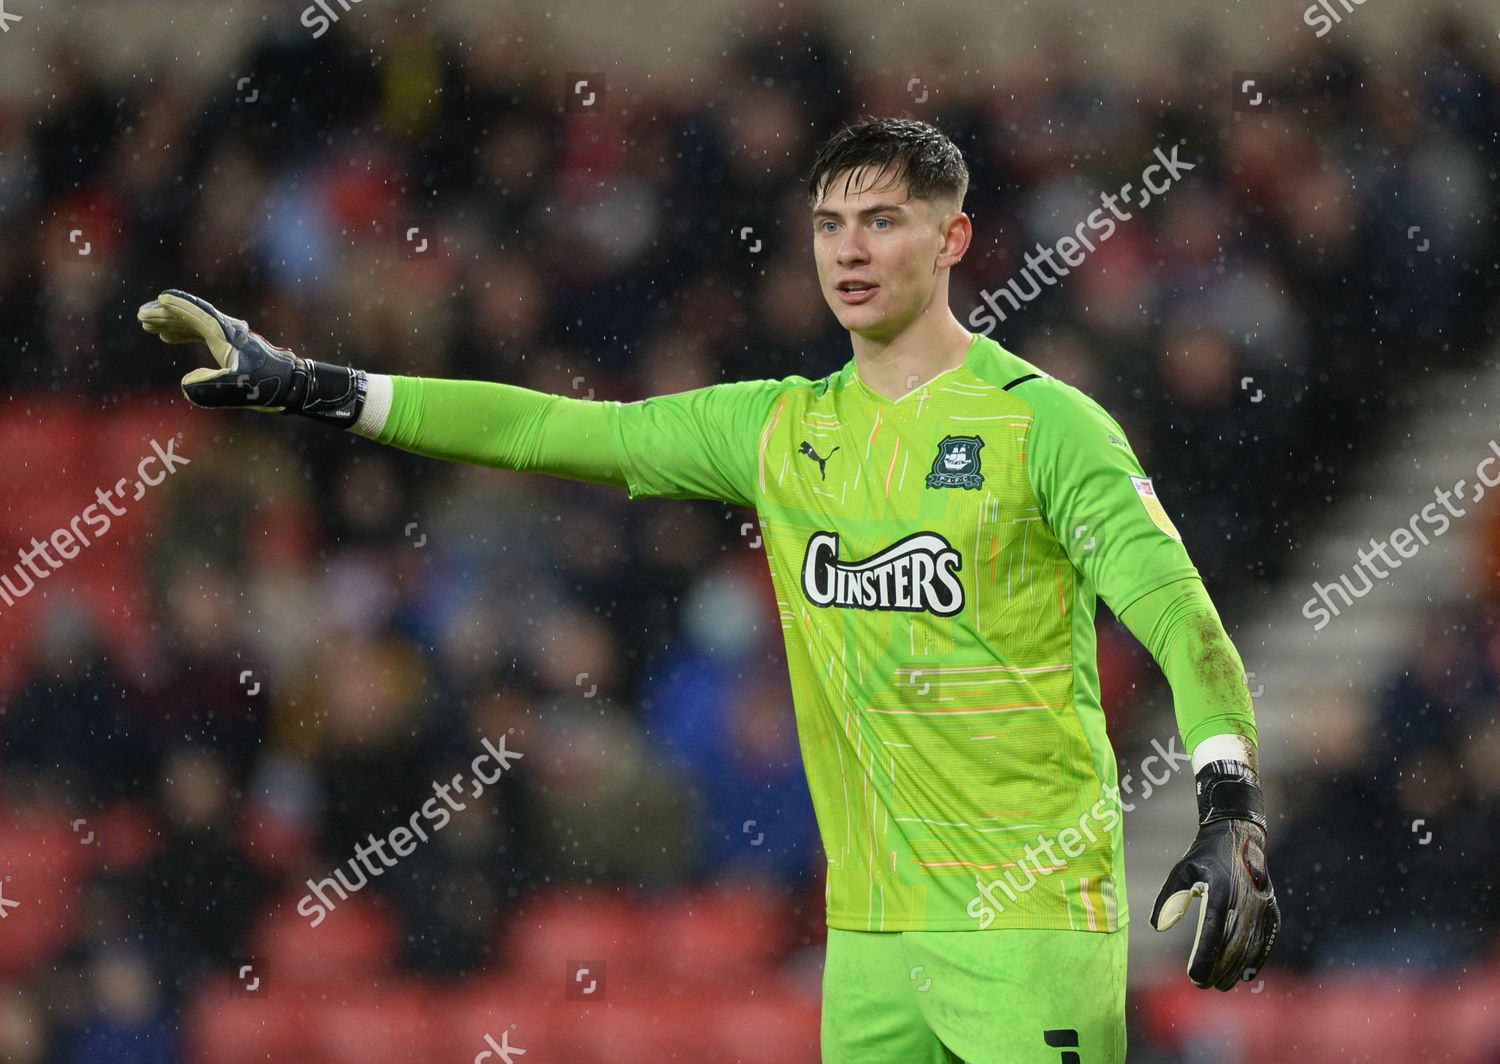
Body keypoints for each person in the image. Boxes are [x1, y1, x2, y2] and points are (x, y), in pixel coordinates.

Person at [138, 115, 1279, 1064]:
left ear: (955, 238)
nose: (850, 247)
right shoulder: (777, 427)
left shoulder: (1047, 426)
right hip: (872, 938)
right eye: (830, 223)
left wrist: (1227, 803)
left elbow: (1180, 615)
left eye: (883, 219)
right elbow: (548, 426)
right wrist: (315, 384)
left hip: (1029, 923)